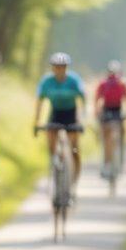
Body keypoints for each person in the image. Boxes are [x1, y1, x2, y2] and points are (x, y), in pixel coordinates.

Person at [33, 52, 86, 187]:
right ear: (52, 68)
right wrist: (37, 121)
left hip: (71, 114)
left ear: (66, 68)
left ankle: (73, 177)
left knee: (74, 148)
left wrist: (82, 120)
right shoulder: (47, 81)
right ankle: (56, 167)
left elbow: (82, 99)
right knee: (51, 142)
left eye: (63, 67)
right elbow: (40, 101)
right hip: (56, 114)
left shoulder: (74, 80)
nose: (60, 70)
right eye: (57, 67)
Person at [95, 60, 126, 176]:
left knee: (106, 138)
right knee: (113, 135)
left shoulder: (103, 83)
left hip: (108, 110)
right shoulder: (123, 83)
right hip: (116, 110)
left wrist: (97, 112)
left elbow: (97, 99)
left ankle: (107, 163)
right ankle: (112, 160)